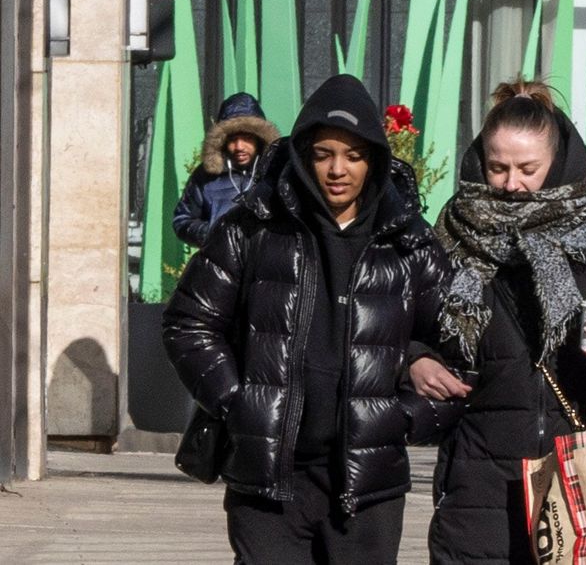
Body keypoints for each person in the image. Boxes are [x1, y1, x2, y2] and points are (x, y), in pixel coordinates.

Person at [162, 74, 462, 564]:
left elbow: (462, 349)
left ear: (375, 161)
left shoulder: (408, 242)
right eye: (323, 154)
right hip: (269, 481)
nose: (337, 170)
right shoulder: (252, 226)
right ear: (302, 154)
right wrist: (238, 401)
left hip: (367, 487)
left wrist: (401, 418)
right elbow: (189, 322)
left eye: (354, 156)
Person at [410, 79, 586, 564]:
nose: (511, 184)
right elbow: (405, 327)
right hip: (478, 479)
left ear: (557, 164)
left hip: (581, 474)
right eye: (498, 168)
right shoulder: (451, 239)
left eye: (528, 169)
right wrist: (414, 360)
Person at [172, 92, 280, 247]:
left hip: (268, 265)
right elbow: (182, 219)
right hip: (221, 265)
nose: (239, 147)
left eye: (246, 138)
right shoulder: (206, 176)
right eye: (232, 139)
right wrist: (212, 233)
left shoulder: (277, 171)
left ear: (259, 138)